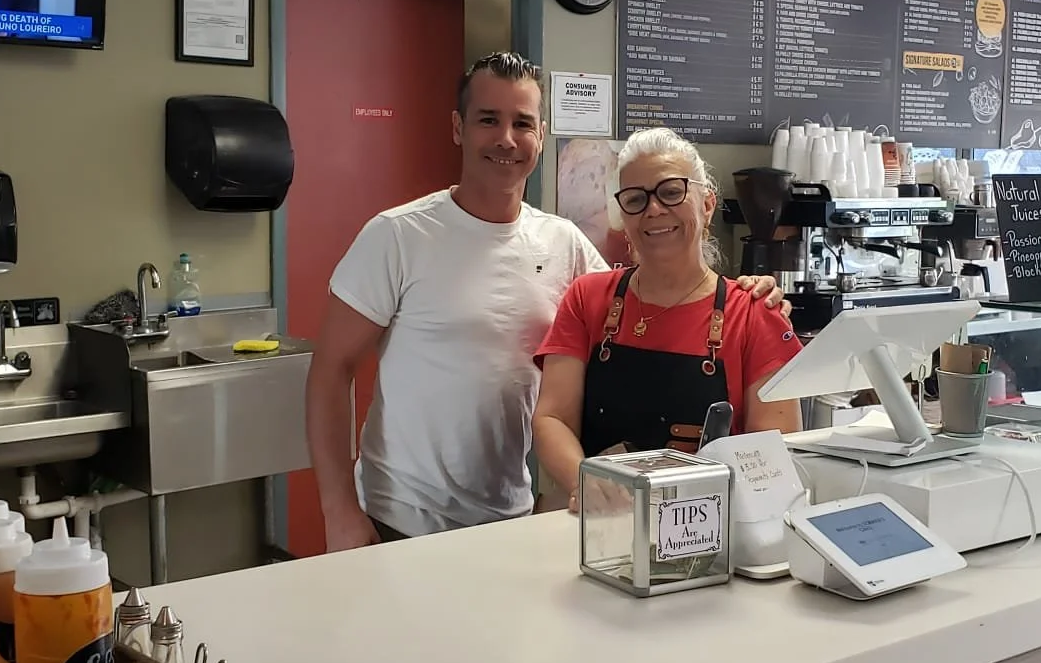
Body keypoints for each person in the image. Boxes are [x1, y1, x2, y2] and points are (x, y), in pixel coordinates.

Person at [306, 54, 785, 551]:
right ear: (458, 127)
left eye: (522, 123)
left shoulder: (563, 243)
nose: (506, 139)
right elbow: (330, 371)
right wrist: (338, 509)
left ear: (540, 134)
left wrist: (745, 297)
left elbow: (658, 288)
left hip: (510, 516)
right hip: (400, 520)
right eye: (488, 120)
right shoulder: (398, 236)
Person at [533, 128, 803, 503]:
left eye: (672, 192)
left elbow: (774, 456)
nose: (654, 209)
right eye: (635, 199)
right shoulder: (587, 298)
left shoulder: (754, 313)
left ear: (707, 204)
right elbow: (553, 418)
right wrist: (586, 485)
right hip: (603, 523)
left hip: (711, 525)